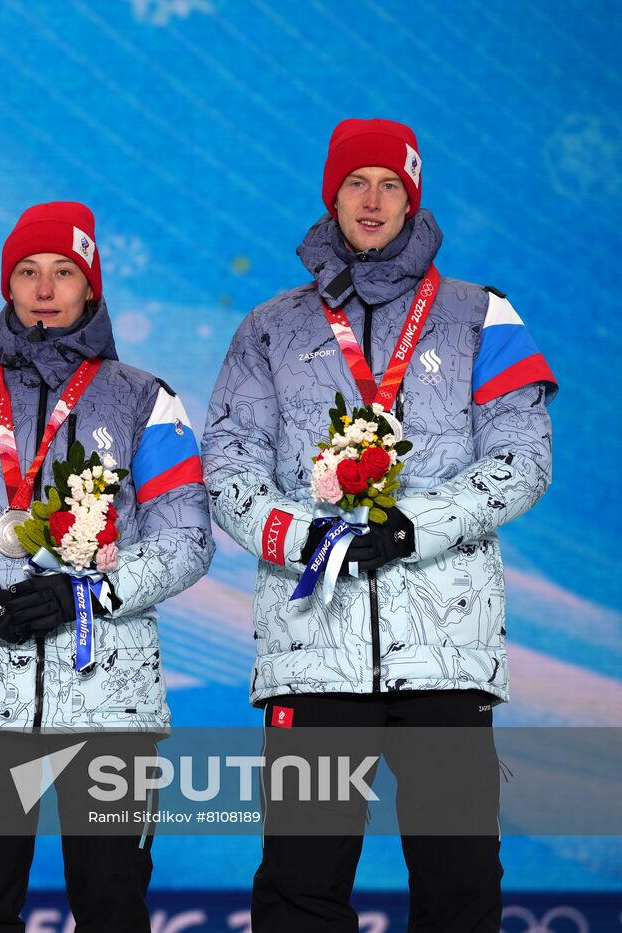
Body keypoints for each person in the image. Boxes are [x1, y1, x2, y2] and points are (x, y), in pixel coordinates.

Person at [202, 119, 557, 932]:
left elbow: (523, 457)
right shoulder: (270, 326)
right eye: (356, 182)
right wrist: (310, 538)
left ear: (413, 197)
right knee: (300, 881)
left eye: (390, 184)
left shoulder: (481, 314)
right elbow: (227, 466)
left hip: (445, 649)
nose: (372, 200)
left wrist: (411, 527)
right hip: (312, 651)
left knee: (460, 879)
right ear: (332, 194)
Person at [0, 201, 213, 931]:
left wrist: (85, 595)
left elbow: (189, 536)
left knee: (111, 907)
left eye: (64, 271)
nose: (44, 286)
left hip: (109, 705)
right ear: (8, 286)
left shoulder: (144, 400)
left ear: (90, 289)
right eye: (28, 271)